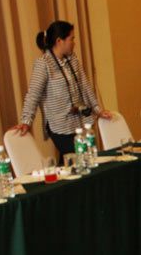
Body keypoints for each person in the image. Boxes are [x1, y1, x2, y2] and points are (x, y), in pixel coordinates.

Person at [12, 21, 112, 158]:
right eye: (71, 39)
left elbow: (85, 85)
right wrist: (26, 121)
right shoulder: (44, 64)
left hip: (79, 121)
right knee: (80, 158)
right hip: (60, 125)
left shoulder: (72, 59)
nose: (74, 43)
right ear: (59, 41)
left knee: (78, 159)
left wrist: (98, 110)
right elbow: (33, 95)